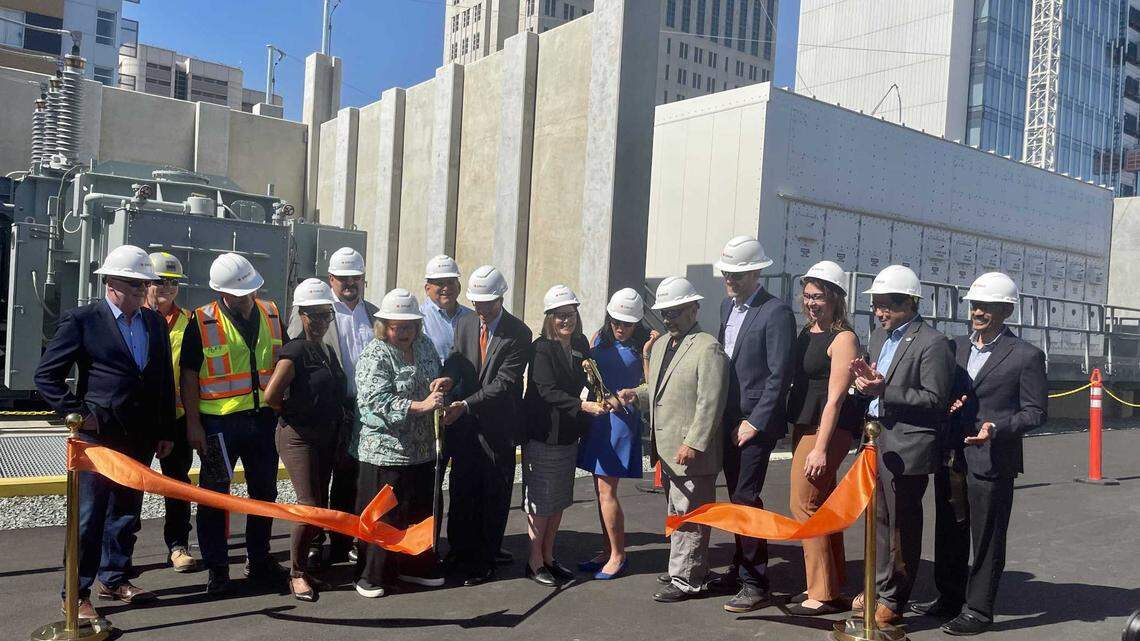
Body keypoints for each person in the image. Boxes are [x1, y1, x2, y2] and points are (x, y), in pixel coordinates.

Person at [35, 245, 175, 620]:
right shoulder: (83, 320)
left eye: (144, 284)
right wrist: (76, 412)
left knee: (127, 511)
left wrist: (165, 428)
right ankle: (75, 594)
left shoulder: (154, 322)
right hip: (99, 437)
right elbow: (46, 375)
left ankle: (115, 577)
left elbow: (163, 379)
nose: (142, 291)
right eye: (134, 284)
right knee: (89, 516)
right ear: (110, 282)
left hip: (141, 435)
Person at [911, 272, 1047, 636]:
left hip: (992, 459)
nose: (978, 312)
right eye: (974, 305)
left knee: (986, 537)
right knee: (950, 529)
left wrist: (996, 428)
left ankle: (979, 611)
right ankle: (949, 598)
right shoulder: (956, 347)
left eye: (986, 306)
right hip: (952, 453)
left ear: (1006, 310)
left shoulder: (1026, 356)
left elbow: (1035, 411)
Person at [851, 264, 955, 625]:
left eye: (887, 306)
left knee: (901, 525)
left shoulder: (934, 342)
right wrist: (863, 385)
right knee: (876, 520)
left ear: (910, 304)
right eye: (877, 305)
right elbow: (875, 383)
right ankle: (877, 585)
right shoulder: (879, 337)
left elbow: (935, 399)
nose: (880, 313)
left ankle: (894, 597)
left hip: (907, 446)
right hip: (877, 440)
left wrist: (885, 391)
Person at [616, 277, 729, 603]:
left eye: (676, 312)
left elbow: (711, 401)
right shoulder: (664, 343)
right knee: (678, 512)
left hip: (690, 451)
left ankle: (686, 580)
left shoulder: (707, 347)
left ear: (694, 308)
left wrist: (694, 442)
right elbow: (659, 389)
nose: (669, 318)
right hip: (667, 449)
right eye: (665, 313)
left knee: (690, 516)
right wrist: (636, 395)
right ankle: (688, 568)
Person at [181, 253, 288, 596]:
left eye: (249, 291)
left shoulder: (271, 313)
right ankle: (217, 569)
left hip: (263, 423)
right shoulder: (202, 321)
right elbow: (188, 375)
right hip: (217, 426)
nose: (244, 298)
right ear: (221, 292)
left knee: (264, 494)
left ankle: (259, 559)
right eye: (237, 293)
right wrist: (193, 424)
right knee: (215, 496)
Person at [709, 235, 795, 613]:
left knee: (746, 498)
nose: (731, 279)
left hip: (754, 426)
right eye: (728, 273)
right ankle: (739, 567)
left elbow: (780, 375)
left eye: (739, 274)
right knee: (736, 498)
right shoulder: (728, 307)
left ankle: (755, 583)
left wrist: (755, 423)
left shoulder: (775, 313)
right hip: (729, 419)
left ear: (757, 271)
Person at [352, 288, 451, 598]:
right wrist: (420, 405)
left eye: (409, 325)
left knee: (420, 511)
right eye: (397, 326)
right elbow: (374, 400)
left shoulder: (424, 345)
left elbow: (434, 375)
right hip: (386, 452)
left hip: (421, 451)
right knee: (386, 516)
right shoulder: (375, 353)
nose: (404, 331)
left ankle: (416, 566)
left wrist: (442, 383)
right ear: (385, 325)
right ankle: (373, 574)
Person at [440, 265, 533, 586]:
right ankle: (459, 551)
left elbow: (505, 383)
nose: (480, 309)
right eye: (476, 303)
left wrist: (464, 404)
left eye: (486, 304)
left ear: (501, 298)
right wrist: (447, 380)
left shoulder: (519, 333)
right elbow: (456, 359)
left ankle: (485, 558)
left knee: (493, 495)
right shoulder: (465, 322)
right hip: (465, 429)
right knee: (463, 490)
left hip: (498, 428)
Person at [287, 247, 378, 569]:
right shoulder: (316, 310)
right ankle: (314, 543)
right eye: (343, 278)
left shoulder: (374, 314)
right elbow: (292, 354)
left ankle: (342, 540)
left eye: (355, 278)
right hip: (326, 411)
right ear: (331, 279)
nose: (349, 284)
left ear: (363, 279)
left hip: (364, 411)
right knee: (318, 478)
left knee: (351, 478)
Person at [783, 261, 862, 616]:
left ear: (835, 298)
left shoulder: (843, 338)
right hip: (806, 425)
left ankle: (821, 592)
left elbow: (836, 398)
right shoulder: (808, 332)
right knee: (821, 506)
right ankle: (830, 582)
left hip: (825, 430)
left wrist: (819, 448)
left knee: (805, 505)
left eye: (819, 297)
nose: (812, 302)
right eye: (808, 295)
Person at [265, 279, 349, 602]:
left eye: (326, 315)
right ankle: (297, 573)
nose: (320, 322)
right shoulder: (296, 349)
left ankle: (307, 569)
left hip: (324, 436)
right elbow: (272, 395)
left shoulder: (326, 350)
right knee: (308, 505)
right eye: (314, 316)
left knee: (320, 505)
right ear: (301, 315)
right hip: (298, 437)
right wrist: (293, 413)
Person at [521, 286, 608, 586]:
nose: (565, 321)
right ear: (549, 318)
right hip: (544, 434)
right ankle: (534, 560)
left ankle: (548, 555)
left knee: (558, 500)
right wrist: (583, 405)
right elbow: (545, 390)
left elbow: (590, 377)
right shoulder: (541, 348)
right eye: (559, 316)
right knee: (541, 502)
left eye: (570, 315)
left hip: (568, 434)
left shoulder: (581, 343)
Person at [577, 288, 656, 580]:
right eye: (616, 321)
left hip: (620, 423)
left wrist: (646, 358)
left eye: (627, 323)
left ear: (637, 323)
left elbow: (651, 386)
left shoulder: (645, 347)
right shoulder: (601, 338)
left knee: (607, 491)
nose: (620, 328)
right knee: (601, 490)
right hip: (599, 420)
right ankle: (608, 549)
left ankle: (618, 555)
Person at [145, 251, 198, 574]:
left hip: (175, 420)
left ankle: (178, 545)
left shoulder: (189, 323)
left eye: (173, 282)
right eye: (159, 281)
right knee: (125, 488)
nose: (166, 287)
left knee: (177, 486)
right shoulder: (131, 320)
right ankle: (116, 560)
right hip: (137, 420)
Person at [421, 254, 474, 365]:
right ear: (427, 289)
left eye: (450, 282)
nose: (446, 288)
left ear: (459, 286)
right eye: (440, 283)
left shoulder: (473, 318)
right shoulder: (418, 319)